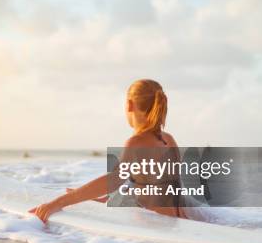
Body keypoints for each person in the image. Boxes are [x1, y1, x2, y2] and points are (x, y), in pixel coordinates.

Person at [29, 79, 187, 223]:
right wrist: (103, 199)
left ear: (129, 105)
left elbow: (113, 180)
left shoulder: (136, 143)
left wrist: (57, 203)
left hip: (157, 225)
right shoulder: (168, 140)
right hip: (180, 221)